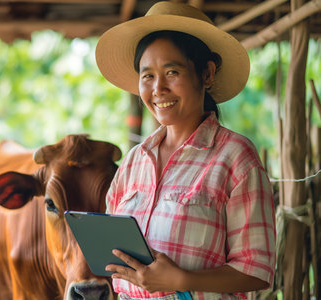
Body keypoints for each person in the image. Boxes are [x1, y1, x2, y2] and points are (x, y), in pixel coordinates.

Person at [95, 2, 276, 300]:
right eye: (147, 76)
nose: (158, 89)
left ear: (206, 74)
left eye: (172, 71)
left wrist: (182, 278)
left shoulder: (235, 157)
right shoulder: (132, 163)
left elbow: (257, 270)